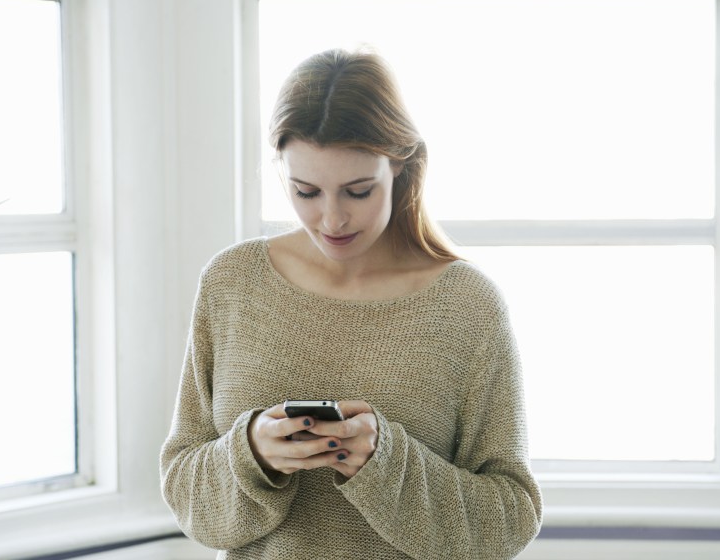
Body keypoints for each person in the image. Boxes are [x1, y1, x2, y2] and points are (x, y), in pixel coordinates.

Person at [159, 47, 542, 559]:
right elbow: (185, 491)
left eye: (358, 191)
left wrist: (386, 464)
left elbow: (509, 519)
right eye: (306, 191)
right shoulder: (233, 283)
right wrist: (250, 454)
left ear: (400, 168)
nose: (332, 220)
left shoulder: (467, 306)